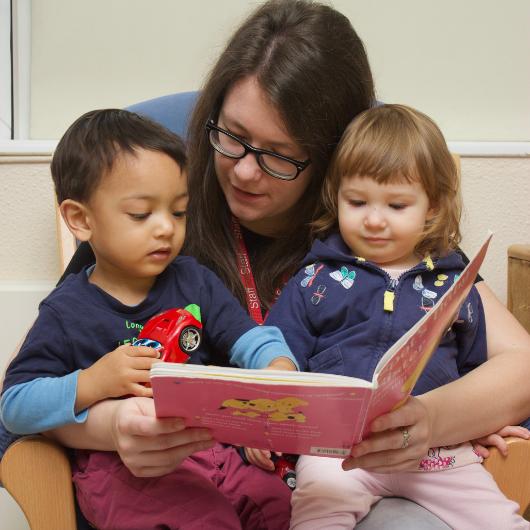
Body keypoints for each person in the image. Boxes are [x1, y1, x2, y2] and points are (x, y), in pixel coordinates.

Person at [2, 1, 530, 529]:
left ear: (332, 160)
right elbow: (26, 405)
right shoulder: (159, 221)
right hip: (193, 491)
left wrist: (436, 419)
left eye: (279, 155)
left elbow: (518, 366)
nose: (246, 171)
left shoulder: (377, 235)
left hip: (352, 488)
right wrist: (112, 425)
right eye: (231, 136)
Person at [0, 108, 300, 529]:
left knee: (281, 504)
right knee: (205, 519)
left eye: (178, 212)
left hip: (214, 452)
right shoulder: (66, 311)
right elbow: (15, 405)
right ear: (81, 220)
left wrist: (277, 367)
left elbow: (247, 338)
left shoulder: (194, 279)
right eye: (142, 215)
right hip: (124, 471)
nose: (165, 229)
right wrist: (93, 382)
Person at [263, 104, 530, 529]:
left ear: (432, 207)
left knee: (504, 521)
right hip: (339, 454)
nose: (373, 219)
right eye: (357, 201)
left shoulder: (454, 283)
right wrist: (266, 421)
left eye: (396, 205)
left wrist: (485, 421)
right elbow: (276, 353)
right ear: (336, 196)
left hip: (437, 454)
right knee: (316, 516)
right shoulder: (316, 277)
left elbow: (482, 369)